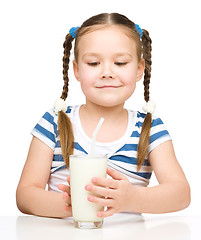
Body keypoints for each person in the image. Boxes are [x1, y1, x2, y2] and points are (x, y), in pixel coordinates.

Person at [16, 13, 190, 218]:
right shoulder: (54, 123)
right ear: (77, 70)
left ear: (139, 69)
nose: (107, 72)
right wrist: (72, 203)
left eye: (121, 63)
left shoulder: (149, 129)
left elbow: (181, 194)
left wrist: (132, 198)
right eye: (93, 63)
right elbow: (25, 195)